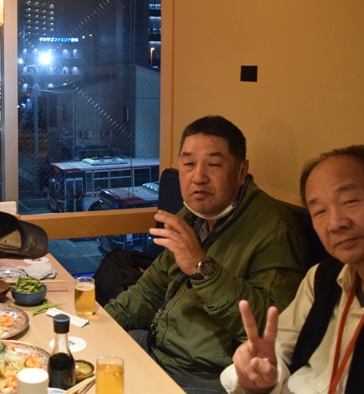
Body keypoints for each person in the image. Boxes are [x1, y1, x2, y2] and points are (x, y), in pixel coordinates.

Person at [221, 145, 364, 394]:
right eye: (319, 211)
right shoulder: (322, 277)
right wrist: (259, 379)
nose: (335, 223)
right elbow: (273, 356)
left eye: (350, 201)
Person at [104, 116, 310, 393]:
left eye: (213, 165)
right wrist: (99, 323)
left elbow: (270, 331)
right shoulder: (191, 215)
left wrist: (201, 266)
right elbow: (149, 290)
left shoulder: (275, 231)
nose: (198, 177)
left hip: (207, 379)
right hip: (157, 350)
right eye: (189, 164)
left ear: (241, 172)